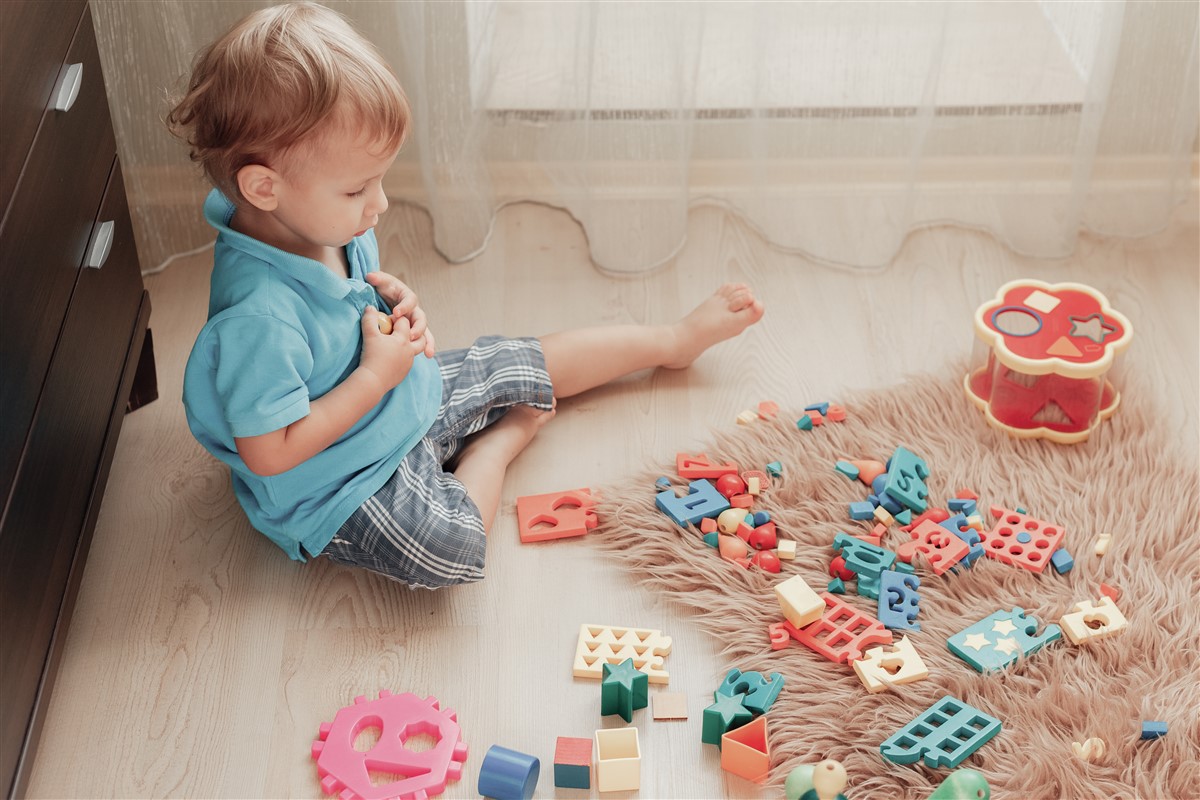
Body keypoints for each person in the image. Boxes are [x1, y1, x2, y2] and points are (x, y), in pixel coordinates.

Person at [168, 2, 764, 590]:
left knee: (520, 358)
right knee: (450, 550)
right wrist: (376, 377)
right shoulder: (259, 320)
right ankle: (497, 447)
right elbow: (271, 452)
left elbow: (349, 307)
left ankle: (671, 341)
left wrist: (391, 306)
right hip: (338, 479)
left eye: (379, 181)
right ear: (264, 187)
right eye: (356, 190)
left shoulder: (313, 223)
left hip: (396, 394)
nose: (379, 206)